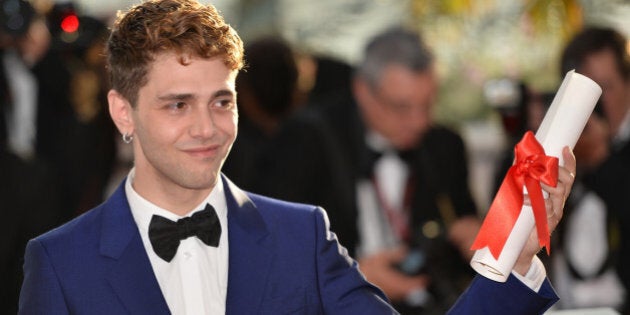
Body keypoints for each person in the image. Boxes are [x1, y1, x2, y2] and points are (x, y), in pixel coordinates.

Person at [19, 0, 575, 314]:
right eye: (177, 105)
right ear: (123, 113)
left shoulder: (302, 236)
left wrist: (519, 255)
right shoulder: (61, 263)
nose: (207, 129)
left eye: (221, 101)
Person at [314, 27, 482, 312]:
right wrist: (349, 276)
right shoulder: (311, 142)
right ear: (362, 91)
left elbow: (463, 233)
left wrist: (479, 241)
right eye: (402, 107)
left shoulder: (445, 146)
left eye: (428, 105)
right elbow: (282, 257)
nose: (419, 122)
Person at [560, 26, 630, 312]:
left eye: (606, 87)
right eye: (586, 93)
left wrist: (602, 161)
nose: (596, 105)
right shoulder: (556, 145)